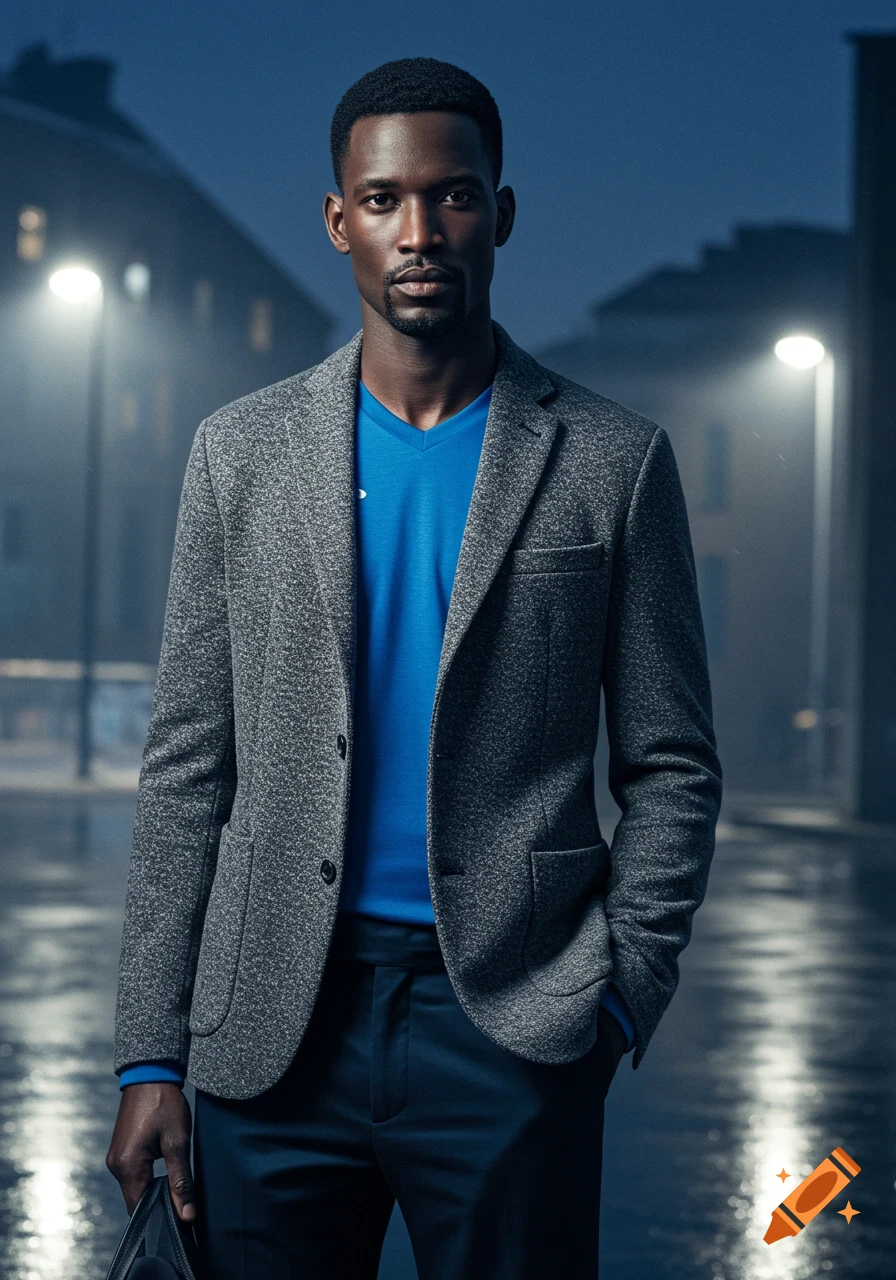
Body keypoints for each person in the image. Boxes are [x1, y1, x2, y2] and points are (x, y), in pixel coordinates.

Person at [106, 57, 722, 1279]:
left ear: (500, 211)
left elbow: (670, 763)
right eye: (383, 199)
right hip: (269, 1030)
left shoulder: (612, 461)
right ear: (339, 220)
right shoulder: (238, 455)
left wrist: (611, 998)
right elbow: (186, 767)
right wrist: (148, 1056)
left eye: (451, 196)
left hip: (510, 1024)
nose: (419, 229)